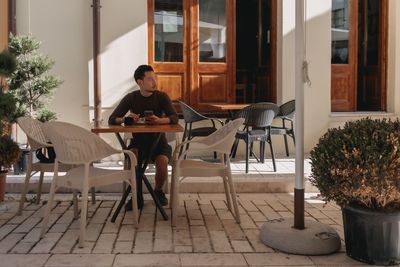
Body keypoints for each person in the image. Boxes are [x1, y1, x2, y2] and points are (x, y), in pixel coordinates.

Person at [108, 64, 178, 210]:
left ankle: (158, 192)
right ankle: (136, 195)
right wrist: (126, 119)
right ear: (139, 82)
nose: (155, 82)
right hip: (138, 143)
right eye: (150, 79)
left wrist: (160, 121)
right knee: (132, 156)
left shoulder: (161, 97)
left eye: (155, 78)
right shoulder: (131, 97)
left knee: (162, 162)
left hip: (159, 142)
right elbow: (112, 119)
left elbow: (174, 118)